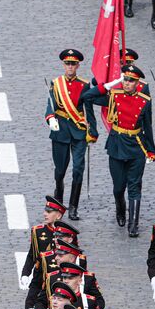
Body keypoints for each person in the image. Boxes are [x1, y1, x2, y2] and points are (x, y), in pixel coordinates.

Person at [84, 65, 155, 236]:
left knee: (134, 187)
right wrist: (110, 84)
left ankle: (133, 224)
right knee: (118, 188)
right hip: (117, 145)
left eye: (131, 80)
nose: (127, 83)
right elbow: (87, 97)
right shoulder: (113, 96)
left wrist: (151, 150)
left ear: (137, 83)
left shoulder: (145, 101)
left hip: (136, 146)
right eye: (125, 79)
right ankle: (120, 209)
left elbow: (148, 127)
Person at [47, 50, 98, 220]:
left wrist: (93, 130)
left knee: (78, 168)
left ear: (77, 66)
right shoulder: (56, 84)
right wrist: (50, 118)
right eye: (67, 64)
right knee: (60, 170)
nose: (70, 67)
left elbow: (88, 109)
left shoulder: (84, 85)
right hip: (60, 130)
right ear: (64, 65)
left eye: (73, 64)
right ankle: (59, 199)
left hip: (78, 130)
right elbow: (50, 105)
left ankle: (74, 206)